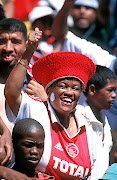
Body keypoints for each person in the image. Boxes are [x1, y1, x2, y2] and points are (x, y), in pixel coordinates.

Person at [5, 26, 108, 179]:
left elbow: (97, 173)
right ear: (48, 90)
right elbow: (11, 93)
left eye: (75, 88)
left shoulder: (88, 125)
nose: (69, 92)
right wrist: (28, 52)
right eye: (63, 86)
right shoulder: (36, 108)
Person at [80, 65, 116, 178]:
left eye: (115, 91)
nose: (114, 95)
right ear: (92, 90)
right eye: (110, 90)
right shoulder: (78, 117)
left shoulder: (106, 123)